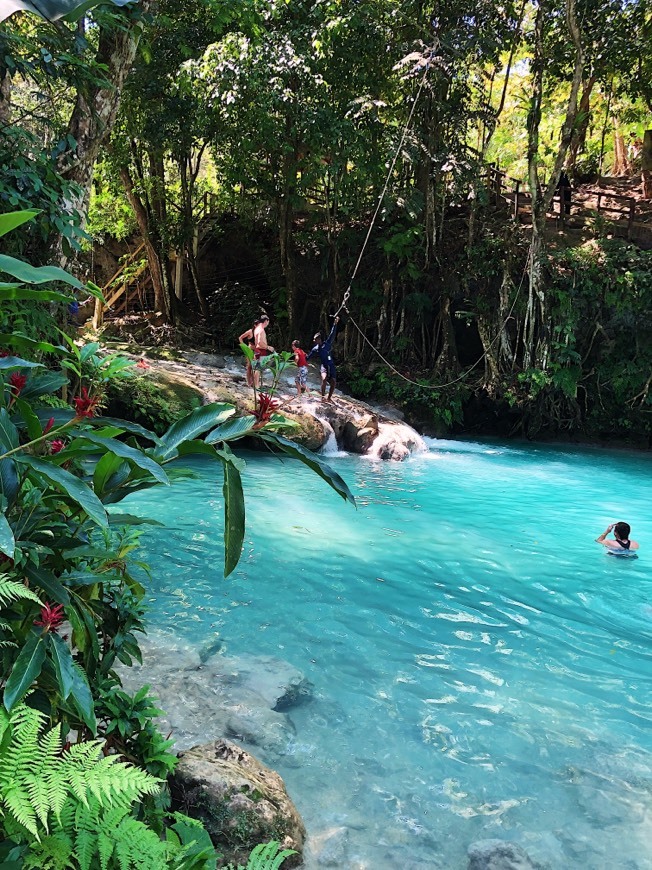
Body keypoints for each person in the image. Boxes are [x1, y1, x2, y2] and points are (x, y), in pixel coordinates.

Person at [307, 316, 339, 402]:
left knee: (333, 382)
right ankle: (322, 396)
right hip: (324, 366)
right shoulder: (315, 349)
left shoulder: (327, 343)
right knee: (324, 379)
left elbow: (332, 333)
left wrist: (335, 324)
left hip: (331, 365)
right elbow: (308, 357)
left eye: (315, 340)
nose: (314, 341)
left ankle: (329, 398)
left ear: (319, 339)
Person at [253, 314, 275, 388]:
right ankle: (256, 386)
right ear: (266, 321)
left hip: (257, 350)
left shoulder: (256, 329)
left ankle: (255, 384)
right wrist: (268, 347)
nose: (267, 324)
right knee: (258, 369)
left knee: (257, 368)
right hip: (261, 350)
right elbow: (260, 342)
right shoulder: (261, 330)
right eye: (268, 322)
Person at [238, 319, 258, 388]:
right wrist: (244, 346)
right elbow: (240, 338)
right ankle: (248, 382)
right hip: (250, 350)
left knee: (255, 367)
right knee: (249, 366)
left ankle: (253, 382)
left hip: (257, 351)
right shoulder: (250, 331)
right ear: (254, 325)